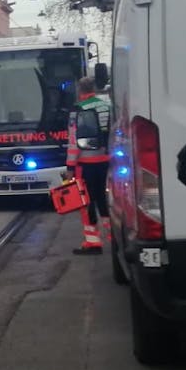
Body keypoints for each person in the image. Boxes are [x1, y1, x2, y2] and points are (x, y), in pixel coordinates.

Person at [65, 76, 112, 254]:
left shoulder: (78, 110)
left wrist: (70, 167)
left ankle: (93, 242)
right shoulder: (107, 107)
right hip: (105, 161)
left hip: (85, 163)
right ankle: (113, 237)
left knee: (86, 202)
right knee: (102, 199)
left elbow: (73, 142)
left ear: (80, 90)